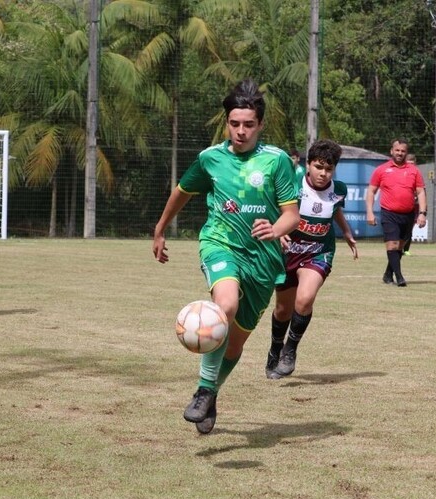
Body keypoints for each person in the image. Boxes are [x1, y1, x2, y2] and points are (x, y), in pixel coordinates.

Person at [152, 79, 300, 434]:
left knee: (235, 341)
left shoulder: (276, 161)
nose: (241, 131)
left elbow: (292, 214)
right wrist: (159, 230)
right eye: (235, 123)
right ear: (226, 123)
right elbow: (181, 192)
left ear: (260, 125)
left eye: (249, 124)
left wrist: (276, 230)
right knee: (226, 306)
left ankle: (212, 393)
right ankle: (204, 389)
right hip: (221, 244)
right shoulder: (210, 159)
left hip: (264, 261)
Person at [266, 139, 358, 380]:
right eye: (319, 167)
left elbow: (336, 210)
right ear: (309, 165)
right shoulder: (293, 184)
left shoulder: (339, 189)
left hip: (319, 251)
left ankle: (290, 351)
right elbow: (277, 209)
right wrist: (281, 230)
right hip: (288, 253)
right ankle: (275, 348)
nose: (323, 173)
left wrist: (346, 231)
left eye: (329, 169)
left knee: (305, 299)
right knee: (283, 309)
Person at [365, 138, 427, 287]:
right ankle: (399, 277)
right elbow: (371, 191)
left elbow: (420, 192)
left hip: (408, 214)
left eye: (403, 151)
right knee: (392, 244)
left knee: (400, 245)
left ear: (406, 152)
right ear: (391, 151)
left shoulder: (414, 171)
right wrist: (369, 212)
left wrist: (422, 213)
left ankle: (388, 274)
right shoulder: (381, 170)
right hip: (389, 213)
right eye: (397, 150)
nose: (400, 153)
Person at [401, 152, 418, 256]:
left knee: (409, 228)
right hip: (402, 205)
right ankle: (399, 247)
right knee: (401, 227)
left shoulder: (417, 175)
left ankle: (406, 249)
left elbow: (422, 192)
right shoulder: (402, 174)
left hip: (414, 206)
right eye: (409, 163)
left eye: (412, 163)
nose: (411, 166)